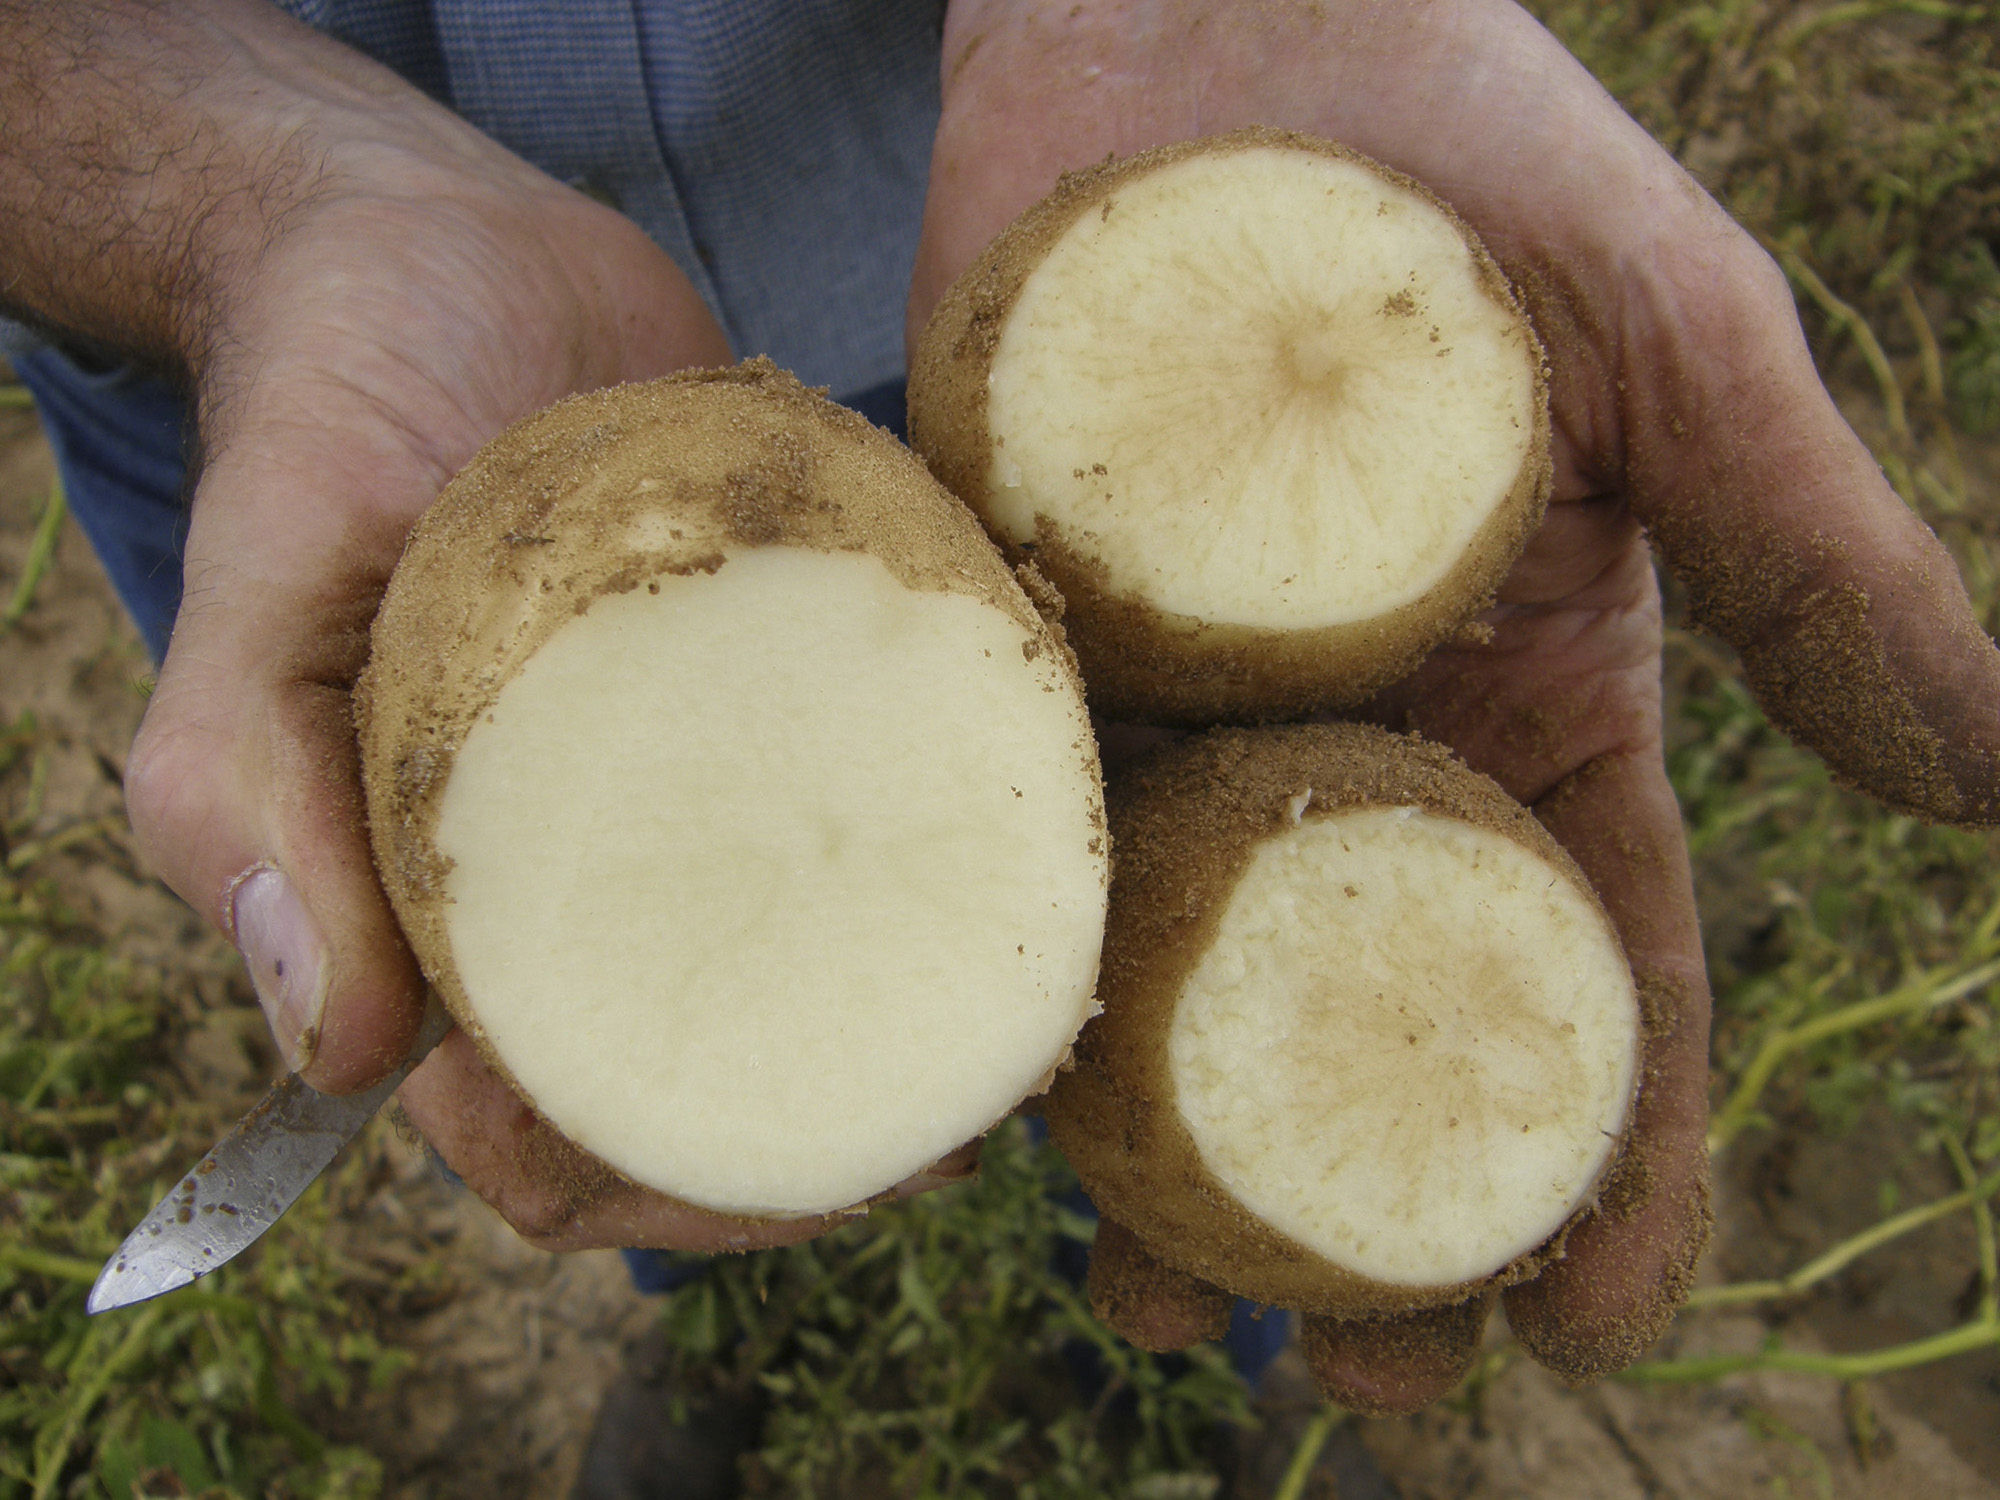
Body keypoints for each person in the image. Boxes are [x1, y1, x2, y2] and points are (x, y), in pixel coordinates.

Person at [5, 0, 1997, 1427]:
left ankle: (1143, 1378)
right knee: (632, 1095)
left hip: (1003, 190)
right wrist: (252, 194)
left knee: (1086, 1095)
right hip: (320, 346)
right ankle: (726, 1320)